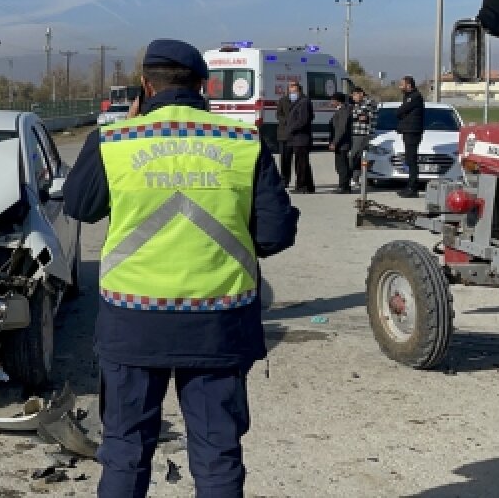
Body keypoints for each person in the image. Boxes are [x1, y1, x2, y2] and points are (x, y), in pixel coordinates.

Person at [63, 39, 299, 498]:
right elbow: (274, 234)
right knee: (217, 456)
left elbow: (79, 206)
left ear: (146, 86)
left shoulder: (113, 141)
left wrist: (122, 130)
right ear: (205, 85)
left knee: (125, 452)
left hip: (132, 326)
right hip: (218, 326)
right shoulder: (242, 141)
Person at [396, 75, 426, 198]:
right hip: (408, 131)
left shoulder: (414, 97)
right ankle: (409, 186)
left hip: (412, 132)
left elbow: (400, 111)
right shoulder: (408, 97)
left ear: (409, 85)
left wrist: (402, 114)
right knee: (409, 160)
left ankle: (413, 188)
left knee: (412, 160)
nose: (400, 87)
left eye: (402, 84)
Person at [285, 81, 315, 193]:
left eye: (291, 87)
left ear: (298, 88)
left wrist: (291, 128)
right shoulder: (297, 101)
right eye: (289, 87)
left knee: (301, 164)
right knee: (303, 163)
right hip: (297, 138)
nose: (289, 90)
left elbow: (303, 120)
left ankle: (301, 186)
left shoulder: (303, 102)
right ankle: (309, 186)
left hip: (301, 138)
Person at [348, 86, 377, 189]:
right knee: (358, 157)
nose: (353, 98)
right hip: (355, 132)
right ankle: (355, 179)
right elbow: (356, 115)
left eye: (355, 95)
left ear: (360, 93)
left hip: (363, 133)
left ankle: (351, 174)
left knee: (353, 156)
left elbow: (362, 116)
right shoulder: (356, 104)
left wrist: (356, 114)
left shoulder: (369, 102)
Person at [328, 92, 353, 193]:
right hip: (340, 143)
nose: (331, 102)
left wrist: (335, 142)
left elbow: (341, 129)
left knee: (342, 166)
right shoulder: (340, 110)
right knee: (340, 165)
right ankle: (343, 185)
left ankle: (344, 186)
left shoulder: (343, 111)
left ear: (337, 101)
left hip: (342, 143)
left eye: (333, 100)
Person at [274, 82, 296, 187]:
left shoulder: (300, 100)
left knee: (296, 159)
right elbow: (278, 115)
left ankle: (299, 180)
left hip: (296, 134)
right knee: (284, 158)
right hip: (284, 133)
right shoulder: (283, 100)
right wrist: (287, 121)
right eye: (290, 88)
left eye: (294, 88)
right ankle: (284, 179)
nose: (292, 90)